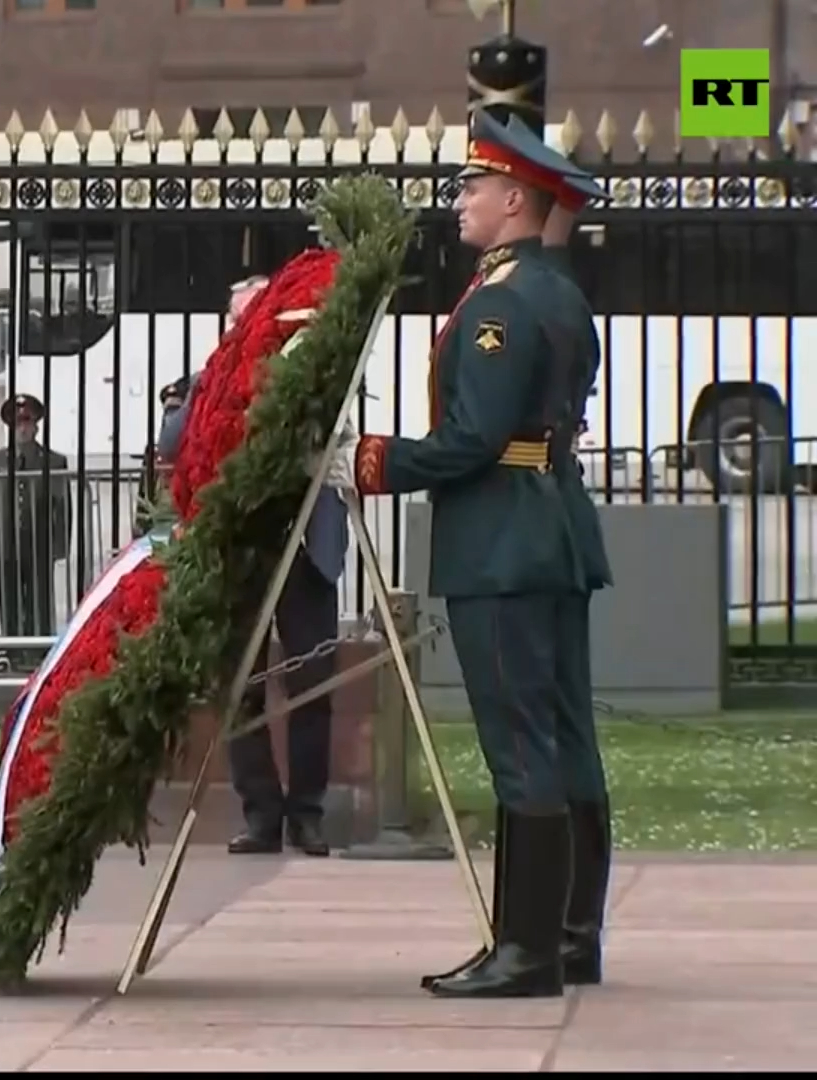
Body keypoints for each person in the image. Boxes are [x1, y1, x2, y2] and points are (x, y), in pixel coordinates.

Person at [340, 111, 609, 1000]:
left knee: (521, 744)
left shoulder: (500, 304)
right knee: (566, 736)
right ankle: (572, 935)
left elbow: (471, 441)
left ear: (516, 200)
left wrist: (371, 461)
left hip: (504, 542)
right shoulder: (558, 293)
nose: (460, 202)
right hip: (554, 531)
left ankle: (526, 952)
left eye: (472, 188)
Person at [166, 276, 346, 858]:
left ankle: (308, 814)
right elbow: (172, 441)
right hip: (241, 549)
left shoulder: (313, 374)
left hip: (305, 546)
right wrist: (208, 388)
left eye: (261, 315)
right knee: (238, 684)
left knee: (312, 682)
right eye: (239, 317)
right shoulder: (212, 379)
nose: (251, 327)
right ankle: (262, 813)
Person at [0, 393, 70, 637]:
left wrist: (61, 542)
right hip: (6, 542)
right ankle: (12, 647)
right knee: (9, 599)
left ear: (36, 426)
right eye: (17, 423)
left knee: (39, 599)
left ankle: (37, 647)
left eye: (27, 422)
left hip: (39, 541)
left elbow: (61, 505)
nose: (22, 428)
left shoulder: (53, 461)